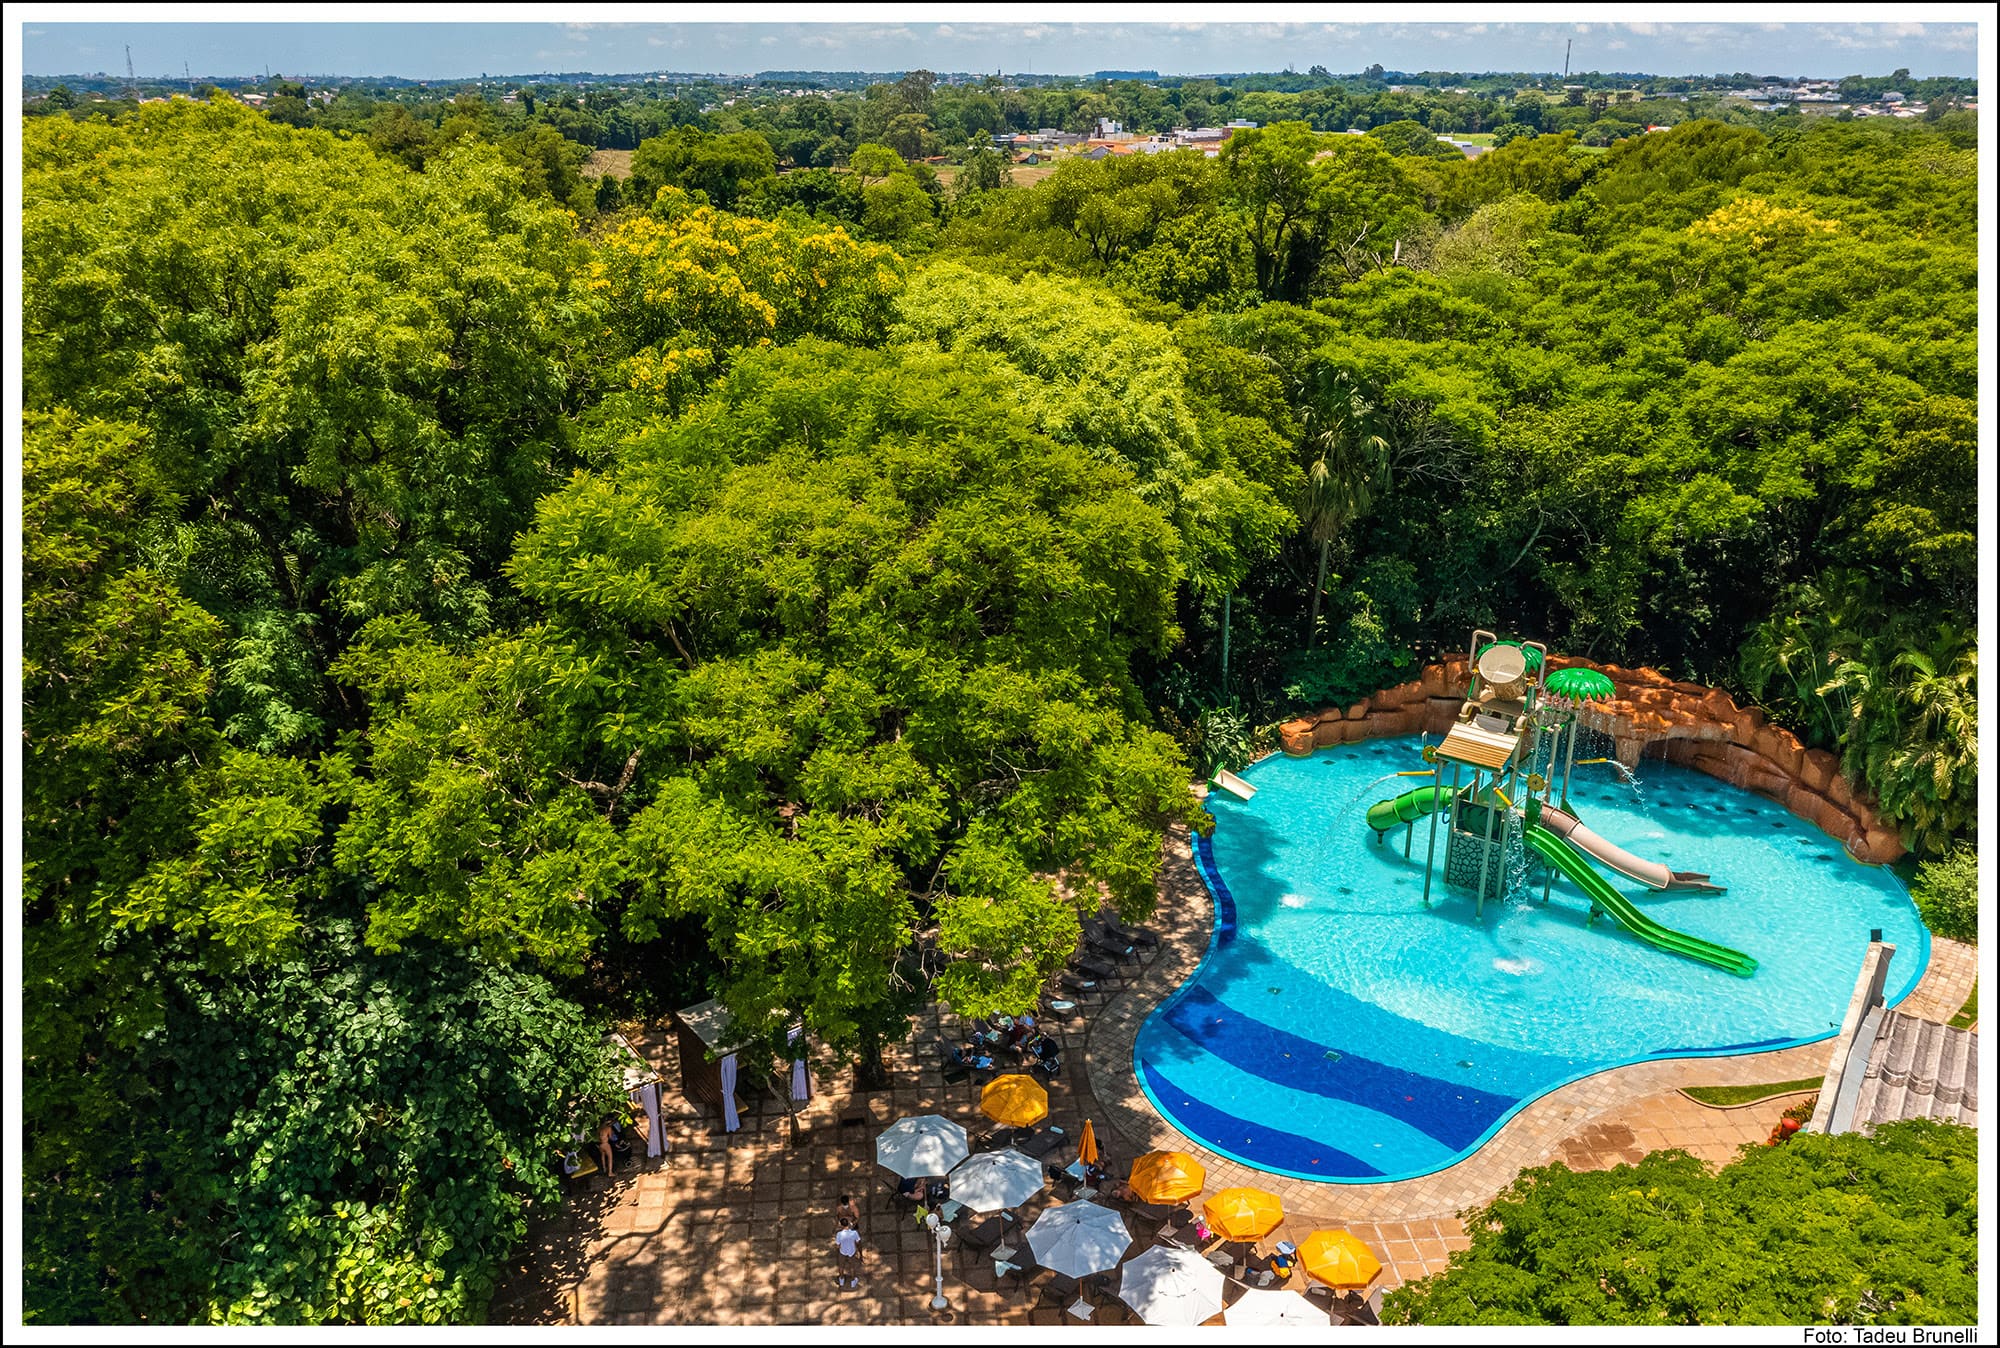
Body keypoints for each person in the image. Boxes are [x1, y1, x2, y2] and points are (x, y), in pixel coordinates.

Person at [834, 1217, 864, 1288]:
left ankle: (841, 1280)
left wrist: (839, 1249)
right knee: (852, 1267)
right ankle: (853, 1281)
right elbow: (858, 1242)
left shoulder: (839, 1234)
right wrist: (860, 1253)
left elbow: (837, 1245)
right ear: (848, 1224)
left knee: (841, 1267)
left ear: (841, 1225)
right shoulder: (854, 1233)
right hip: (852, 1251)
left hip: (842, 1252)